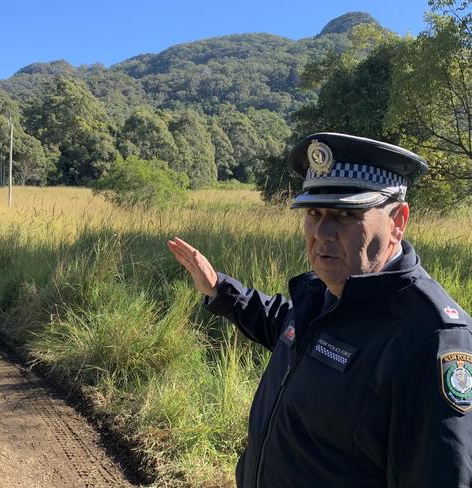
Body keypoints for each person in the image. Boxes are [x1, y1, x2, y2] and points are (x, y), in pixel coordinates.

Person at [167, 132, 472, 487]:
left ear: (397, 222)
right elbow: (286, 326)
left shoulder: (429, 338)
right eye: (313, 212)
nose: (322, 232)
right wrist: (220, 289)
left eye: (345, 214)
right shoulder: (325, 291)